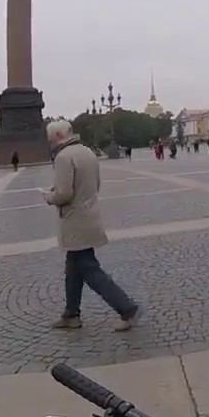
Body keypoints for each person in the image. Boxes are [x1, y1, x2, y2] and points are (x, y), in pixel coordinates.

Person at [42, 120, 141, 331]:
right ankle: (71, 314)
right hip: (90, 216)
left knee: (89, 270)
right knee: (73, 268)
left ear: (58, 136)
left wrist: (49, 197)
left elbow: (64, 194)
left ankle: (127, 308)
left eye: (50, 138)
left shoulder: (63, 157)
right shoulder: (87, 152)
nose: (50, 142)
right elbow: (95, 185)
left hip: (74, 221)